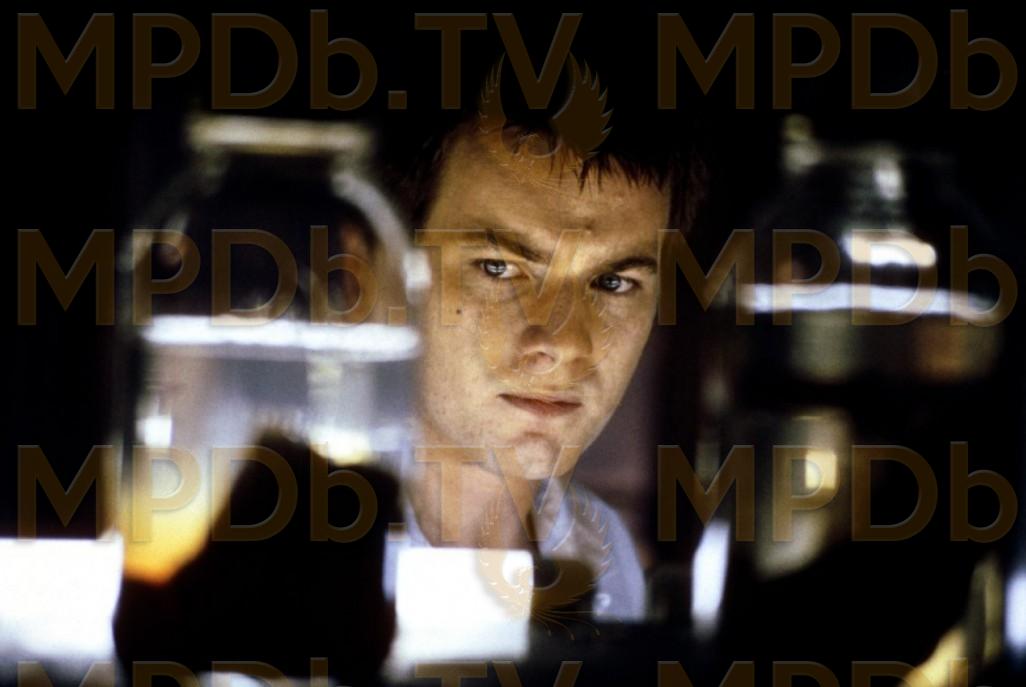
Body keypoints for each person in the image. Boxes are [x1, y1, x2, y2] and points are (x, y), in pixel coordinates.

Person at [376, 55, 704, 623]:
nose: (566, 342)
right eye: (499, 269)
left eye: (612, 283)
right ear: (386, 270)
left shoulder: (602, 556)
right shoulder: (285, 552)